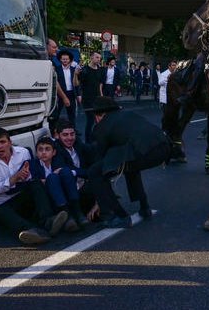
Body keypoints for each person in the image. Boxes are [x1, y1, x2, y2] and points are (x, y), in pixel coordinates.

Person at [86, 97, 171, 227]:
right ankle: (145, 207)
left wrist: (99, 198)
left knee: (95, 173)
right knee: (129, 164)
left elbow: (101, 159)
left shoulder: (102, 126)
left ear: (98, 116)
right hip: (164, 147)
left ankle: (117, 216)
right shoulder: (128, 114)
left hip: (143, 152)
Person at [0, 127, 68, 245]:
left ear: (10, 142)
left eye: (2, 142)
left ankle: (48, 221)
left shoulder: (23, 152)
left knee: (36, 184)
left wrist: (26, 176)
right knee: (3, 214)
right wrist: (16, 177)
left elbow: (32, 176)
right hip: (3, 202)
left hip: (22, 194)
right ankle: (32, 232)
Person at [28, 137, 85, 229]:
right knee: (53, 177)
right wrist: (48, 179)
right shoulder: (32, 164)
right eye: (40, 149)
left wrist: (70, 173)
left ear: (53, 152)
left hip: (65, 195)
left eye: (47, 149)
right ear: (36, 153)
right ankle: (67, 216)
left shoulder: (59, 161)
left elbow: (82, 172)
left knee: (65, 171)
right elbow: (30, 182)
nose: (43, 152)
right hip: (47, 199)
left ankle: (78, 212)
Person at [78, 52, 103, 142]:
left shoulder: (100, 69)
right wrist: (79, 96)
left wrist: (101, 95)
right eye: (97, 57)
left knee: (99, 120)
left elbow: (100, 83)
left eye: (99, 58)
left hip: (97, 99)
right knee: (90, 120)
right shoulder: (84, 70)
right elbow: (79, 84)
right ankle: (88, 141)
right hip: (87, 99)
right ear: (91, 57)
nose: (98, 59)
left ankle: (97, 139)